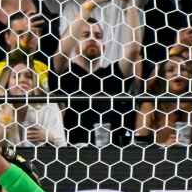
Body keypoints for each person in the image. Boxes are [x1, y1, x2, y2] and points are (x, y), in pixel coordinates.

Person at [50, 14, 141, 146]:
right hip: (72, 154)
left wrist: (130, 3)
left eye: (98, 36)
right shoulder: (66, 74)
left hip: (113, 154)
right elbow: (63, 52)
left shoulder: (113, 75)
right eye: (86, 35)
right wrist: (88, 6)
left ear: (103, 47)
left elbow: (134, 50)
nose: (92, 38)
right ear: (75, 47)